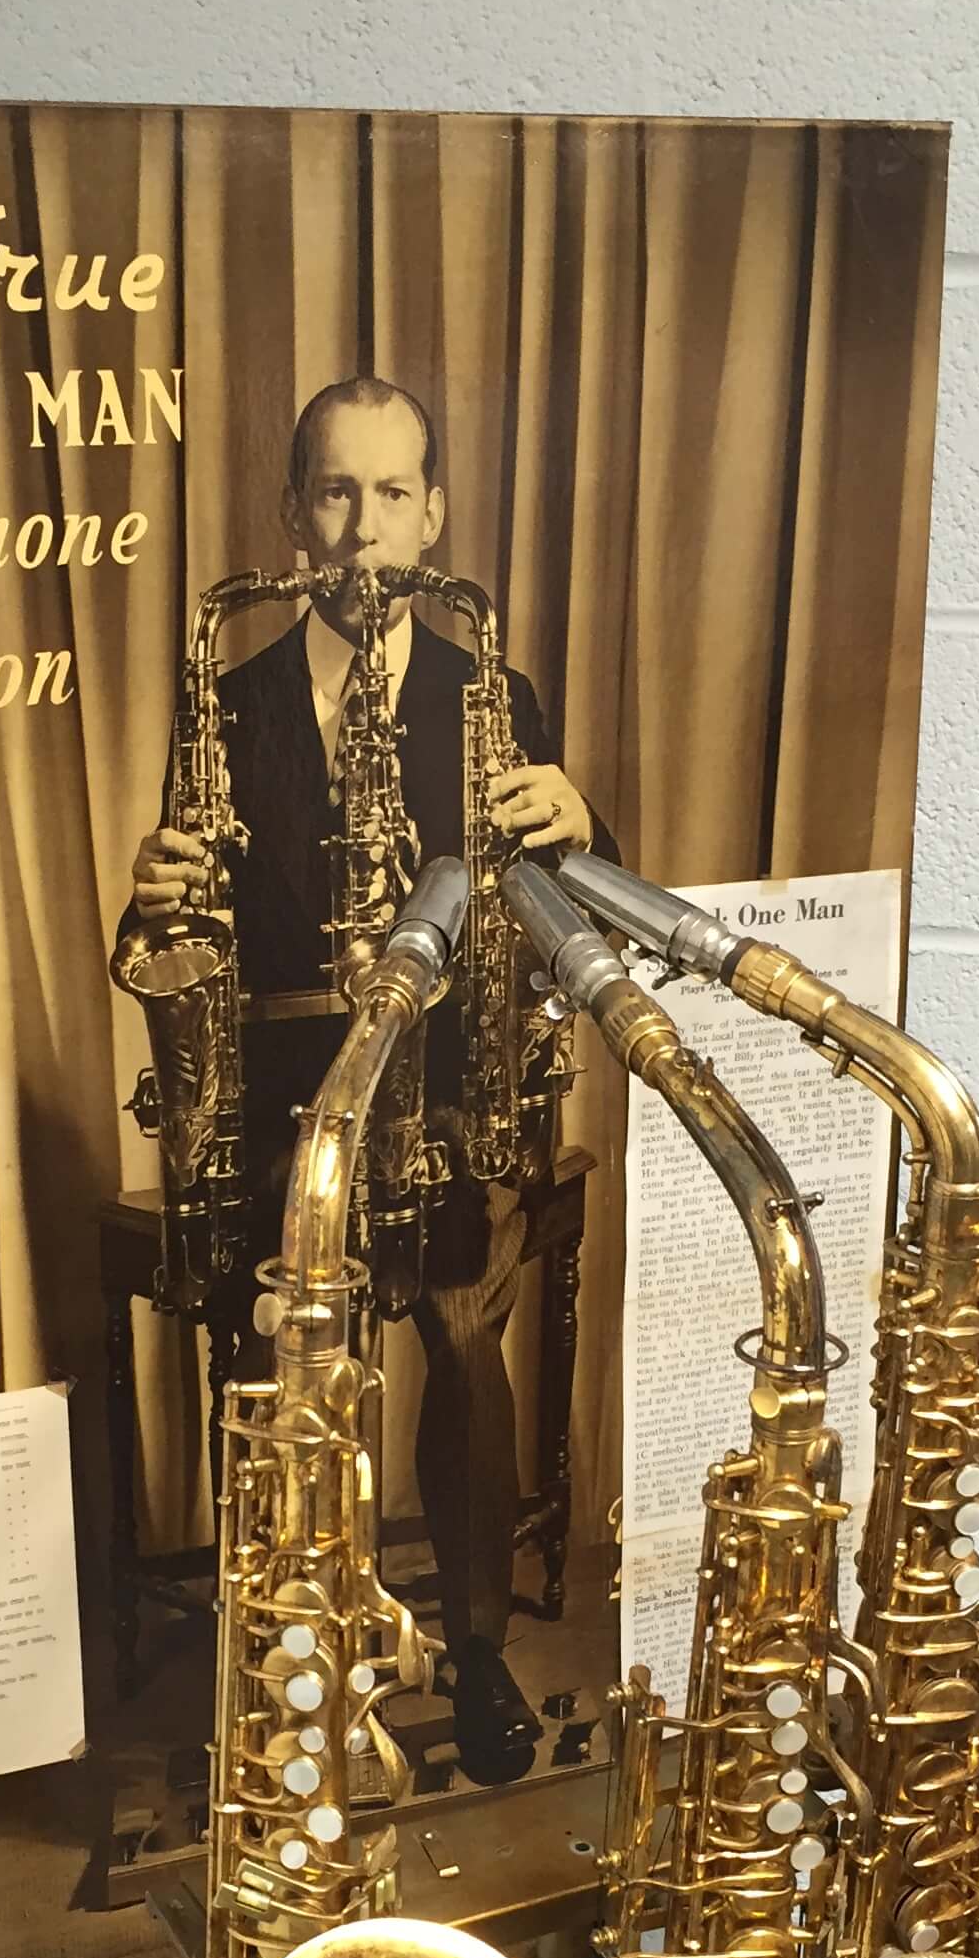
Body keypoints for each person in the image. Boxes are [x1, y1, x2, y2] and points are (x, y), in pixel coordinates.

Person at [120, 376, 609, 1785]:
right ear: (294, 514)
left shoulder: (495, 696)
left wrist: (581, 826)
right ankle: (293, 1661)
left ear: (434, 514)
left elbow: (562, 905)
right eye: (337, 493)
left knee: (464, 1338)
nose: (365, 529)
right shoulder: (228, 703)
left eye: (394, 494)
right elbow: (178, 928)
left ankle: (475, 1652)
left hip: (453, 1097)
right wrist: (155, 892)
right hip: (289, 1104)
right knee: (284, 1362)